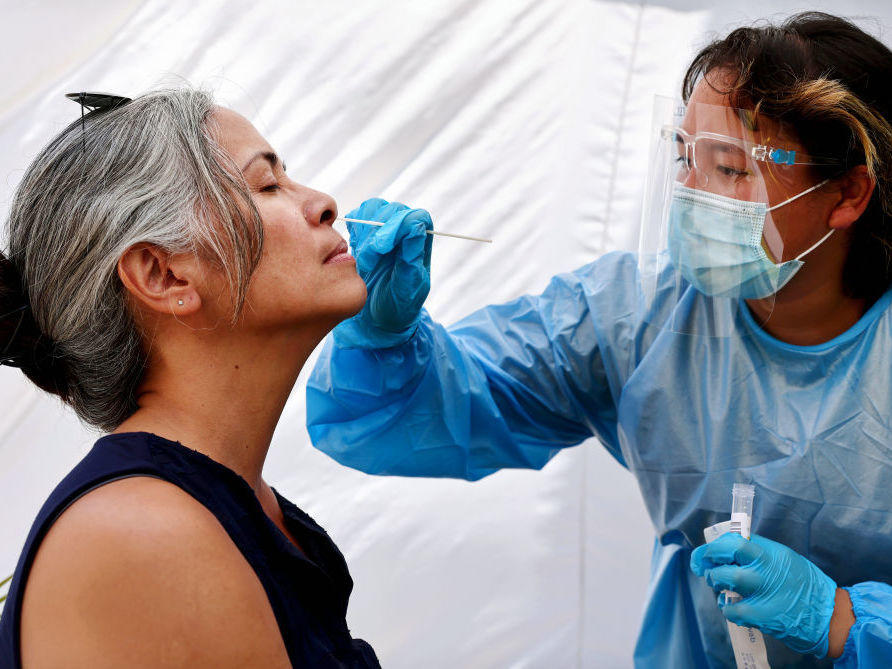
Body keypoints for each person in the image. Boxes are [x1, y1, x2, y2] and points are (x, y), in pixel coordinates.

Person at [307, 12, 892, 668]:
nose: (689, 195)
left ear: (847, 192)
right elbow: (416, 413)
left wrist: (844, 620)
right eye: (683, 157)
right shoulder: (638, 315)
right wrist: (387, 335)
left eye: (727, 167)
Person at [0, 88, 387, 667]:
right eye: (267, 185)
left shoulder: (237, 506)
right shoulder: (143, 535)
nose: (325, 204)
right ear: (163, 274)